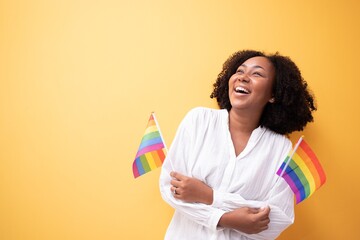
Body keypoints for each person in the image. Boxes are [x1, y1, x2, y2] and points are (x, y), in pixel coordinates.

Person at [159, 50, 316, 240]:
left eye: (256, 73)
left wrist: (208, 196)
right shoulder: (198, 120)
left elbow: (277, 219)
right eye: (240, 71)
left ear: (273, 94)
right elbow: (171, 188)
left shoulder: (280, 148)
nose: (243, 77)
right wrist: (226, 219)